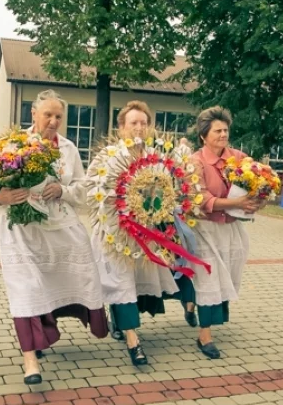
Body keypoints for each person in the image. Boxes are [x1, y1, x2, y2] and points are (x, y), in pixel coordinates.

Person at [0, 90, 107, 385]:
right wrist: (1, 196)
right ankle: (30, 361)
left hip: (61, 230)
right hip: (22, 233)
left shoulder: (68, 149)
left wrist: (63, 191)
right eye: (48, 115)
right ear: (33, 114)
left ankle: (46, 331)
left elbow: (82, 187)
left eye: (58, 117)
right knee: (26, 290)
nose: (53, 121)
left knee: (70, 280)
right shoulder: (10, 146)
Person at [88, 101, 178, 366]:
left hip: (146, 233)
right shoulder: (107, 156)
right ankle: (133, 341)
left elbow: (167, 191)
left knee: (134, 285)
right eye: (133, 123)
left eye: (144, 123)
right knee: (121, 282)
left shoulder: (156, 156)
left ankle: (120, 321)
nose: (139, 128)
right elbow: (91, 189)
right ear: (121, 127)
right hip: (115, 233)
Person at [185, 107, 261, 359]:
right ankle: (204, 336)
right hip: (205, 229)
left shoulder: (238, 157)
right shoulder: (195, 161)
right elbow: (200, 197)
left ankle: (192, 303)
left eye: (226, 130)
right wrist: (236, 204)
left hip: (231, 228)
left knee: (225, 276)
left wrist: (259, 198)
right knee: (210, 279)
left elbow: (258, 182)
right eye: (217, 130)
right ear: (204, 135)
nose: (223, 134)